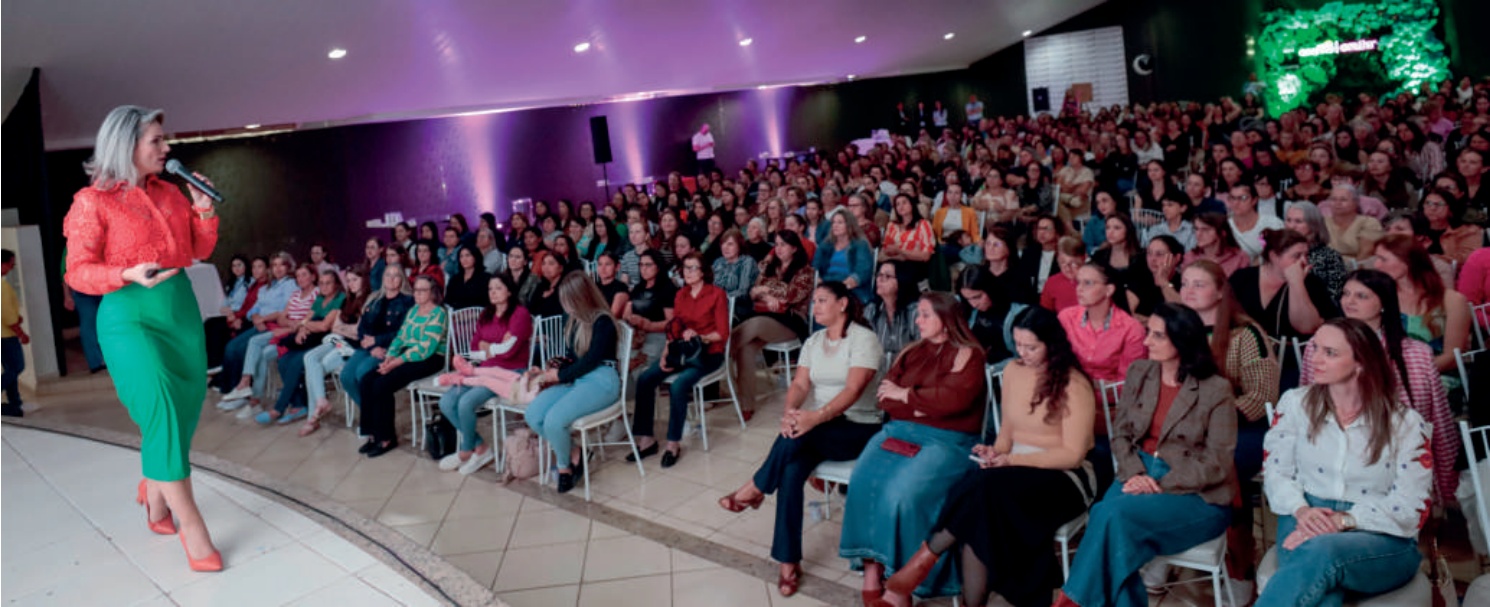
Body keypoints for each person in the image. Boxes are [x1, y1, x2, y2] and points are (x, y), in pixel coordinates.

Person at [61, 105, 223, 570]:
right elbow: (79, 272)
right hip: (128, 315)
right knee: (162, 409)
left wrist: (204, 209)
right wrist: (124, 273)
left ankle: (154, 490)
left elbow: (196, 251)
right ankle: (190, 523)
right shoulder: (92, 201)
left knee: (186, 406)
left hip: (179, 310)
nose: (167, 148)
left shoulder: (172, 193)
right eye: (157, 141)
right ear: (126, 145)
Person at [874, 307, 1096, 607]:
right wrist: (996, 451)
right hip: (1013, 474)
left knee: (983, 490)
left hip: (1065, 477)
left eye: (1031, 347)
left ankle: (928, 557)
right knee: (980, 502)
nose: (1023, 352)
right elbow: (1007, 431)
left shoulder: (1075, 383)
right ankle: (965, 593)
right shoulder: (1014, 371)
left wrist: (1011, 461)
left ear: (1052, 344)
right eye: (1018, 344)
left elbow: (1072, 455)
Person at [1055, 303, 1238, 607]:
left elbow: (1216, 462)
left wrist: (1159, 483)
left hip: (1196, 494)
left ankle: (1070, 601)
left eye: (1157, 335)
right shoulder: (1141, 371)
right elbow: (1122, 433)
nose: (1146, 341)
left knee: (1108, 515)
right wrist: (1137, 474)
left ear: (1182, 340)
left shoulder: (1216, 390)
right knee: (1111, 525)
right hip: (1138, 471)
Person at [717, 281, 884, 598]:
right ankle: (788, 561)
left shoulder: (864, 340)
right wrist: (791, 411)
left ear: (843, 304)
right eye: (814, 302)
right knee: (791, 469)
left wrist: (814, 418)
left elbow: (853, 391)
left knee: (796, 438)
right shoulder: (814, 341)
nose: (815, 306)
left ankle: (754, 488)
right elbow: (800, 384)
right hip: (821, 426)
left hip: (860, 427)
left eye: (822, 301)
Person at [1257, 319, 1431, 606]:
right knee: (1325, 591)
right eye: (1315, 349)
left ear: (1361, 362)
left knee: (1321, 553)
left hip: (1381, 534)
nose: (1315, 359)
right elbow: (1276, 471)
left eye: (1330, 353)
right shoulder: (1295, 405)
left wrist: (1344, 521)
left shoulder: (1405, 424)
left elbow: (1411, 506)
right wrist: (1301, 510)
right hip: (1306, 516)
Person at [843, 292, 986, 604]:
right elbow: (883, 397)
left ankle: (901, 582)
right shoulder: (910, 351)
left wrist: (907, 396)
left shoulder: (969, 354)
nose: (916, 321)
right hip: (899, 429)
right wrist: (924, 403)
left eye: (924, 315)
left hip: (948, 439)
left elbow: (955, 403)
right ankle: (871, 568)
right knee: (863, 483)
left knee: (903, 495)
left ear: (945, 320)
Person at [1299, 270, 1458, 500]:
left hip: (1396, 456)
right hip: (1332, 457)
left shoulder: (1415, 354)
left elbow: (1437, 420)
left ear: (1383, 303)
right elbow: (1307, 405)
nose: (1349, 301)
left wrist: (1444, 484)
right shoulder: (1319, 344)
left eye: (1362, 296)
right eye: (1346, 294)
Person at [1181, 259, 1280, 591]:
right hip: (1190, 425)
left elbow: (1262, 395)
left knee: (1224, 464)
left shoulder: (1245, 332)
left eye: (1199, 284)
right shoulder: (1177, 329)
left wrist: (1213, 418)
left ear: (1220, 290)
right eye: (1184, 284)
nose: (1188, 291)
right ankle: (1178, 545)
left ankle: (1238, 560)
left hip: (1243, 426)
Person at [523, 272, 622, 493]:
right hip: (578, 378)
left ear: (580, 297)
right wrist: (551, 370)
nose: (564, 304)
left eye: (567, 299)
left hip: (602, 380)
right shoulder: (574, 321)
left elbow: (591, 360)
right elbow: (575, 359)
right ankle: (576, 452)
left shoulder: (603, 321)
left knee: (553, 421)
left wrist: (558, 376)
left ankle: (564, 466)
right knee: (533, 415)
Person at [630, 253, 729, 468]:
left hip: (708, 353)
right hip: (681, 351)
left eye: (693, 268)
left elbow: (722, 333)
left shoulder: (716, 294)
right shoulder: (681, 294)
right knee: (646, 378)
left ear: (703, 272)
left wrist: (699, 336)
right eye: (685, 268)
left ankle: (673, 443)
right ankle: (646, 439)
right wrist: (666, 353)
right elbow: (674, 329)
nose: (688, 272)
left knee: (678, 386)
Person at [435, 273, 534, 476]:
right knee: (446, 402)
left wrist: (488, 346)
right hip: (484, 369)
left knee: (465, 403)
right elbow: (473, 349)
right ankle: (480, 448)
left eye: (498, 288)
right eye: (490, 289)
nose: (493, 293)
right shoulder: (486, 314)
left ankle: (465, 451)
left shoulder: (520, 314)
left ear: (509, 290)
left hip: (509, 371)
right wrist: (493, 347)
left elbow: (510, 351)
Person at [356, 274, 448, 457]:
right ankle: (372, 434)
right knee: (367, 379)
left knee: (382, 384)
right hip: (406, 354)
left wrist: (396, 362)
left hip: (430, 358)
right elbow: (400, 337)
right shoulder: (413, 311)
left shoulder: (439, 313)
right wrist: (390, 357)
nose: (418, 293)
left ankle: (387, 438)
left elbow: (426, 347)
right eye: (416, 290)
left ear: (432, 293)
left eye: (423, 290)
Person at [729, 231, 815, 414]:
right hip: (768, 315)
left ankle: (721, 352)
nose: (779, 249)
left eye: (783, 244)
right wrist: (767, 295)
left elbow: (791, 295)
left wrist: (765, 289)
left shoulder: (805, 270)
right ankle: (746, 405)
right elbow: (752, 293)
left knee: (756, 323)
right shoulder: (769, 266)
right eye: (776, 244)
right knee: (746, 348)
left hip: (791, 321)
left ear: (794, 248)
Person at [1372, 234, 1471, 384]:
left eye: (1383, 259)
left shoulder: (1452, 301)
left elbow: (1452, 357)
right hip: (1388, 378)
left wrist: (1409, 376)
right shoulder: (1379, 298)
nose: (1376, 265)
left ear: (1408, 261)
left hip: (1437, 377)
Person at [293, 265, 371, 436]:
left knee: (317, 367)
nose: (351, 284)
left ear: (364, 280)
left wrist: (344, 329)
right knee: (309, 358)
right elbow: (335, 327)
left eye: (355, 280)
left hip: (352, 347)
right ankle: (321, 401)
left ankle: (313, 417)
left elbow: (359, 333)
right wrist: (345, 329)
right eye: (348, 280)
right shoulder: (347, 300)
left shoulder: (369, 300)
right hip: (338, 341)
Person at [261, 269, 346, 425]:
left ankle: (279, 408)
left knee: (295, 363)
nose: (324, 286)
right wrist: (302, 329)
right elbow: (307, 318)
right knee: (284, 361)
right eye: (321, 283)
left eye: (328, 283)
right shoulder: (320, 298)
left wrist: (305, 325)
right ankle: (299, 404)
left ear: (336, 284)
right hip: (309, 337)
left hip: (327, 342)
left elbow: (324, 326)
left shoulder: (340, 299)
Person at [1229, 228, 1337, 342]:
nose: (1304, 261)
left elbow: (1307, 327)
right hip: (1247, 349)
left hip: (1291, 354)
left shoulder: (1312, 283)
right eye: (1297, 256)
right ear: (1274, 256)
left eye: (1306, 255)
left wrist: (1296, 283)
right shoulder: (1242, 278)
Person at [339, 265, 415, 415]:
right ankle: (371, 415)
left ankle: (373, 420)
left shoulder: (408, 302)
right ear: (382, 278)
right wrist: (372, 346)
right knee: (346, 376)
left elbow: (404, 332)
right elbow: (362, 329)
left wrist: (377, 340)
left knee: (362, 372)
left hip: (391, 349)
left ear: (402, 280)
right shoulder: (374, 300)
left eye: (396, 275)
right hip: (370, 348)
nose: (391, 279)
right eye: (388, 275)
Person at [1091, 213, 1156, 316]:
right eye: (1108, 228)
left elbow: (1147, 290)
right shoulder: (1099, 256)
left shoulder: (1142, 258)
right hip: (1107, 307)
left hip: (1140, 310)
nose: (1110, 232)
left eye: (1117, 228)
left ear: (1128, 230)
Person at [1283, 201, 1348, 300]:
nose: (1292, 226)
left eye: (1298, 221)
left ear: (1313, 225)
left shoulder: (1330, 256)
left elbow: (1335, 296)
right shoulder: (1278, 253)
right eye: (1288, 220)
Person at [813, 210, 875, 303]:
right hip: (827, 284)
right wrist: (818, 281)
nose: (835, 225)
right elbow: (815, 267)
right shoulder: (825, 245)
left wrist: (840, 288)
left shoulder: (860, 245)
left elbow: (863, 271)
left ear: (849, 225)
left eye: (840, 222)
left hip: (850, 288)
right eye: (833, 222)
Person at [958, 266, 1015, 365]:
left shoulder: (1014, 312)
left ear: (989, 289)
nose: (973, 304)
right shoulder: (968, 309)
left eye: (977, 297)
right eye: (968, 299)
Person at [866, 260, 919, 360]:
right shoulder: (871, 310)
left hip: (909, 367)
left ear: (902, 280)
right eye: (879, 275)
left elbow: (924, 347)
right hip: (878, 368)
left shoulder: (915, 311)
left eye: (887, 276)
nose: (880, 280)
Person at [1417, 188, 1483, 265]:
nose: (1432, 208)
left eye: (1439, 204)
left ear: (1450, 209)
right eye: (1428, 203)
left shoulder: (1467, 231)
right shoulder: (1413, 227)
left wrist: (1429, 259)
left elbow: (1467, 258)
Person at [882, 193, 935, 287]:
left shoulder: (923, 224)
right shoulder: (892, 226)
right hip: (893, 262)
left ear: (912, 205)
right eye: (897, 204)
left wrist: (900, 251)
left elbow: (925, 256)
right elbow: (887, 250)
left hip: (916, 265)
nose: (901, 206)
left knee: (900, 274)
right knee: (883, 271)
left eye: (904, 203)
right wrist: (909, 253)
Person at [1324, 184, 1383, 262]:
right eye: (1333, 199)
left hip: (1359, 267)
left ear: (1356, 202)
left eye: (1343, 200)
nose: (1337, 203)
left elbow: (1367, 252)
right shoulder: (1322, 222)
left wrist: (1353, 270)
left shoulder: (1369, 223)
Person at [1227, 183, 1285, 261]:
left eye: (1243, 198)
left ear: (1254, 200)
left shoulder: (1273, 224)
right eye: (1232, 198)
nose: (1236, 203)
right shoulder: (1224, 226)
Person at [2, 250, 29, 418]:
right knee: (17, 366)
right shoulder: (2, 287)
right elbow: (7, 316)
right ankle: (14, 401)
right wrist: (21, 333)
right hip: (6, 336)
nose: (12, 267)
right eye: (10, 264)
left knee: (10, 368)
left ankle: (14, 403)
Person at [1183, 212, 1251, 277]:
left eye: (1205, 230)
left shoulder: (1239, 257)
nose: (1198, 234)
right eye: (1196, 229)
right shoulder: (1190, 257)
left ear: (1222, 233)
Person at [711, 228, 759, 316]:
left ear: (739, 246)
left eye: (730, 244)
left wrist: (719, 298)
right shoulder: (718, 262)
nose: (725, 247)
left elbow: (743, 292)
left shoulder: (747, 262)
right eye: (723, 243)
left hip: (738, 310)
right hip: (716, 307)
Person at [1041, 237, 1086, 313]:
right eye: (1063, 262)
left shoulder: (1094, 280)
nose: (1068, 268)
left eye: (1073, 263)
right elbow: (1044, 315)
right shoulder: (1052, 282)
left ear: (1083, 259)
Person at [443, 243, 490, 310]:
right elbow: (448, 301)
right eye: (461, 256)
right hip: (456, 316)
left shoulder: (486, 278)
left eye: (467, 255)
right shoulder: (455, 279)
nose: (464, 259)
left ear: (475, 257)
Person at [592, 250, 631, 318]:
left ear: (617, 267)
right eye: (600, 264)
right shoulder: (594, 286)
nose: (603, 268)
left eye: (608, 264)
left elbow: (612, 316)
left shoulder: (621, 288)